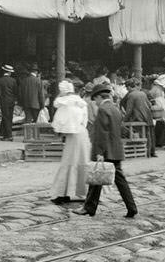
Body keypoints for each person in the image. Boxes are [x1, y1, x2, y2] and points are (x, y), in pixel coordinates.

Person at [79, 84, 138, 218]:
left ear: (100, 97)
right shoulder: (115, 109)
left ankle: (89, 207)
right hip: (116, 150)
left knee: (96, 178)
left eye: (96, 100)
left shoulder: (103, 110)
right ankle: (130, 207)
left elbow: (102, 133)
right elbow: (119, 129)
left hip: (106, 151)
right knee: (114, 181)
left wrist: (99, 152)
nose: (96, 103)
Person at [49, 76, 89, 204]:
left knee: (69, 162)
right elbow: (85, 121)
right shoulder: (81, 103)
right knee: (81, 162)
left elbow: (59, 121)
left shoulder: (65, 103)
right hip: (82, 133)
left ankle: (63, 192)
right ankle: (83, 191)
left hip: (73, 135)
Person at [121, 74, 155, 156]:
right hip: (148, 117)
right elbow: (149, 105)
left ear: (129, 87)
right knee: (149, 135)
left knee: (126, 131)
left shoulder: (131, 95)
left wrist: (123, 121)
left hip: (138, 118)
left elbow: (129, 111)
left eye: (126, 88)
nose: (126, 89)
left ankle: (136, 150)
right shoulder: (142, 93)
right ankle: (150, 152)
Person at [0, 64, 17, 143]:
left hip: (4, 101)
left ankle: (9, 135)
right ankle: (4, 134)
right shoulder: (13, 80)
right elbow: (15, 91)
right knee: (9, 117)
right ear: (9, 73)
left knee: (6, 117)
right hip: (11, 101)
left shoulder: (0, 80)